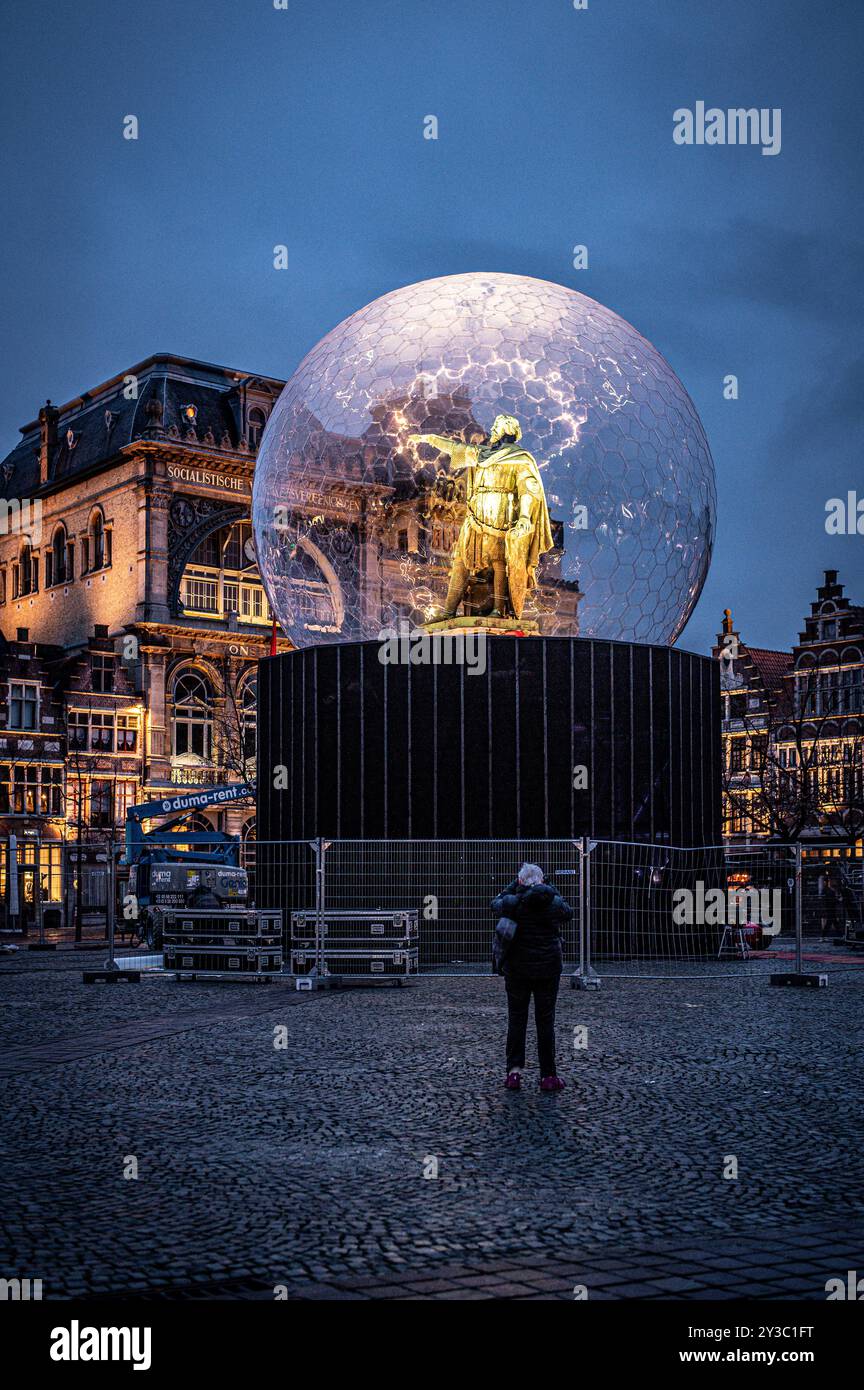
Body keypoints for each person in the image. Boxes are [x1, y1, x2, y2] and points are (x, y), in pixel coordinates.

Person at [491, 862, 573, 1092]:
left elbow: (495, 903)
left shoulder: (513, 903)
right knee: (546, 1021)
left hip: (517, 970)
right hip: (548, 969)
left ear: (519, 881)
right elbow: (569, 912)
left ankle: (514, 1073)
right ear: (543, 881)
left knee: (517, 1020)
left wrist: (515, 885)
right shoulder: (553, 902)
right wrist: (547, 886)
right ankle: (548, 1076)